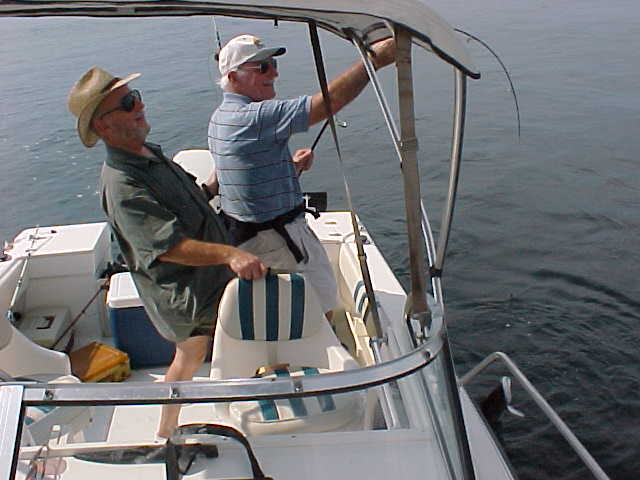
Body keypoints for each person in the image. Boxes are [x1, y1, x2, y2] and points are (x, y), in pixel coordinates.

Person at [67, 66, 267, 439]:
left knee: (191, 356)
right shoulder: (123, 184)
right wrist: (230, 255)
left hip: (207, 281)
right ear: (103, 125)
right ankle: (190, 424)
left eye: (136, 97)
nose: (139, 106)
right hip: (190, 295)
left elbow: (184, 202)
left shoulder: (148, 153)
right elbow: (169, 247)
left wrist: (215, 184)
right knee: (199, 353)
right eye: (128, 103)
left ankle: (168, 427)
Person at [208, 34, 395, 318]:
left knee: (290, 315)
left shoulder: (220, 118)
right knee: (319, 312)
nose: (274, 73)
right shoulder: (252, 117)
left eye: (273, 64)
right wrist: (373, 61)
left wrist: (290, 168)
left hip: (253, 238)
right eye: (262, 67)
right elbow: (327, 102)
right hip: (278, 241)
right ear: (233, 77)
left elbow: (245, 180)